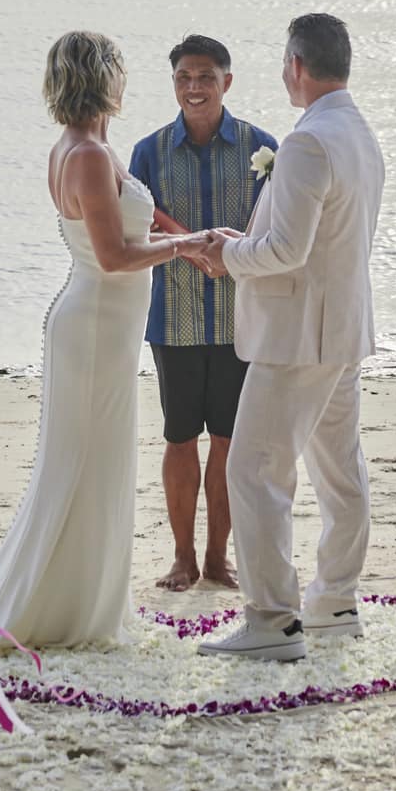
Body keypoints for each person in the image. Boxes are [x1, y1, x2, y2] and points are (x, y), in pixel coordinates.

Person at [0, 31, 197, 650]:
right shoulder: (87, 156)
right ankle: (75, 606)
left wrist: (190, 237)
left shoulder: (90, 147)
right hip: (95, 326)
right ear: (104, 78)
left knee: (99, 462)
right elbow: (115, 255)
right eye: (120, 69)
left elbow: (136, 229)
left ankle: (91, 596)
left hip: (104, 327)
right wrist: (183, 249)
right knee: (87, 464)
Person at [180, 13, 385, 663]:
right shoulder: (358, 132)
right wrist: (243, 246)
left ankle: (272, 618)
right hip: (342, 328)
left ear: (297, 65)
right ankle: (334, 600)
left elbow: (289, 250)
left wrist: (228, 254)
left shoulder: (307, 142)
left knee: (253, 471)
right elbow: (322, 243)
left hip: (297, 335)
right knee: (339, 470)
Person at [130, 35, 276, 593]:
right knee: (179, 436)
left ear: (226, 82)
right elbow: (134, 224)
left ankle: (218, 557)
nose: (195, 88)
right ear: (174, 84)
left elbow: (276, 226)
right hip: (176, 318)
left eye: (206, 77)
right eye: (185, 78)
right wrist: (193, 244)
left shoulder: (262, 147)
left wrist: (232, 256)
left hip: (245, 318)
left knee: (231, 441)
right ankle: (182, 558)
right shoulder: (149, 151)